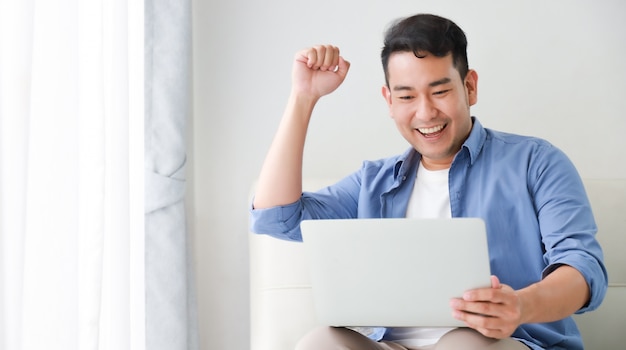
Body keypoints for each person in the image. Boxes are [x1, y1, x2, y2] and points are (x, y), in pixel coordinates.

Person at [249, 13, 607, 350]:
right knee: (321, 342)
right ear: (389, 101)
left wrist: (521, 305)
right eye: (406, 96)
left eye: (439, 92)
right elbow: (275, 216)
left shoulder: (536, 162)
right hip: (391, 344)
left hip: (503, 342)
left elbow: (583, 269)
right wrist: (303, 96)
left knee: (462, 343)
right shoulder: (372, 182)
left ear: (469, 87)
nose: (425, 113)